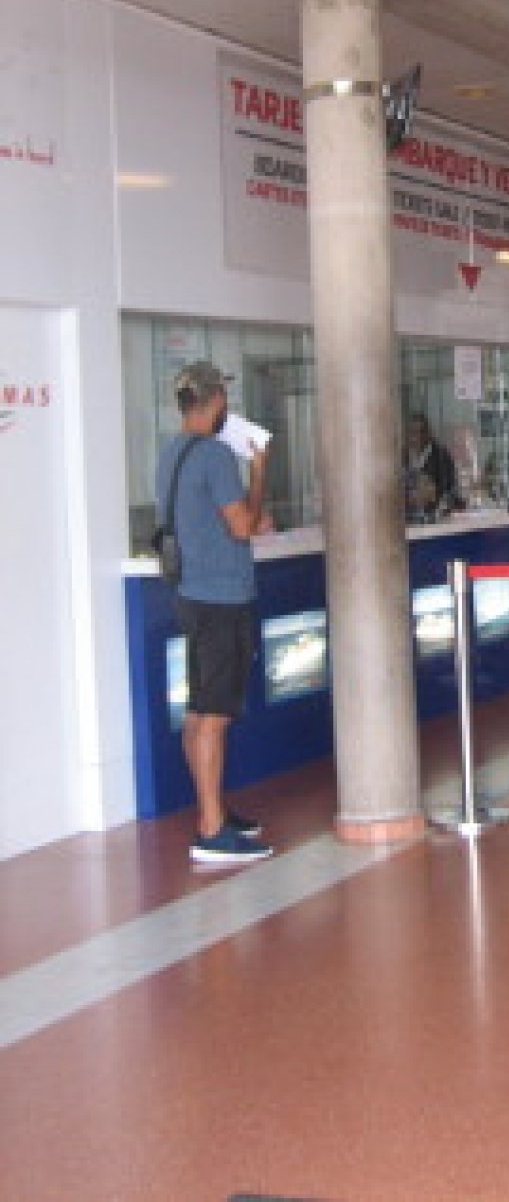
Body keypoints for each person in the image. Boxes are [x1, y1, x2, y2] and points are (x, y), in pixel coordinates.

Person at [155, 361, 273, 867]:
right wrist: (259, 470)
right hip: (222, 599)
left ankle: (213, 810)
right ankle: (210, 829)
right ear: (217, 402)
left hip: (190, 595)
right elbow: (242, 526)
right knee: (215, 715)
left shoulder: (171, 453)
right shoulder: (217, 456)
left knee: (200, 709)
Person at [404, 414, 457, 519]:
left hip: (434, 515)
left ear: (428, 433)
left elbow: (450, 488)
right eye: (412, 432)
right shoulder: (404, 456)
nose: (416, 437)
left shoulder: (441, 455)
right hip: (410, 515)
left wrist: (435, 496)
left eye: (420, 432)